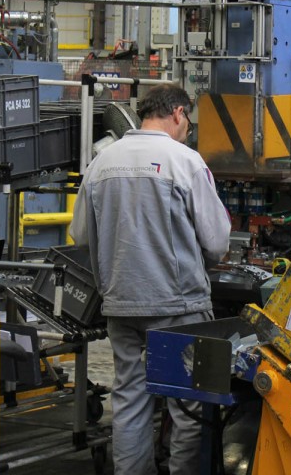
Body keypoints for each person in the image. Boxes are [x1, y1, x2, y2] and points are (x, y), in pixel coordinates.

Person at [71, 83, 231, 475]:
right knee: (189, 405)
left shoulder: (102, 163)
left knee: (129, 400)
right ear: (178, 113)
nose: (187, 128)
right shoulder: (185, 161)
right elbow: (217, 241)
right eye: (188, 121)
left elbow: (80, 235)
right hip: (179, 306)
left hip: (121, 302)